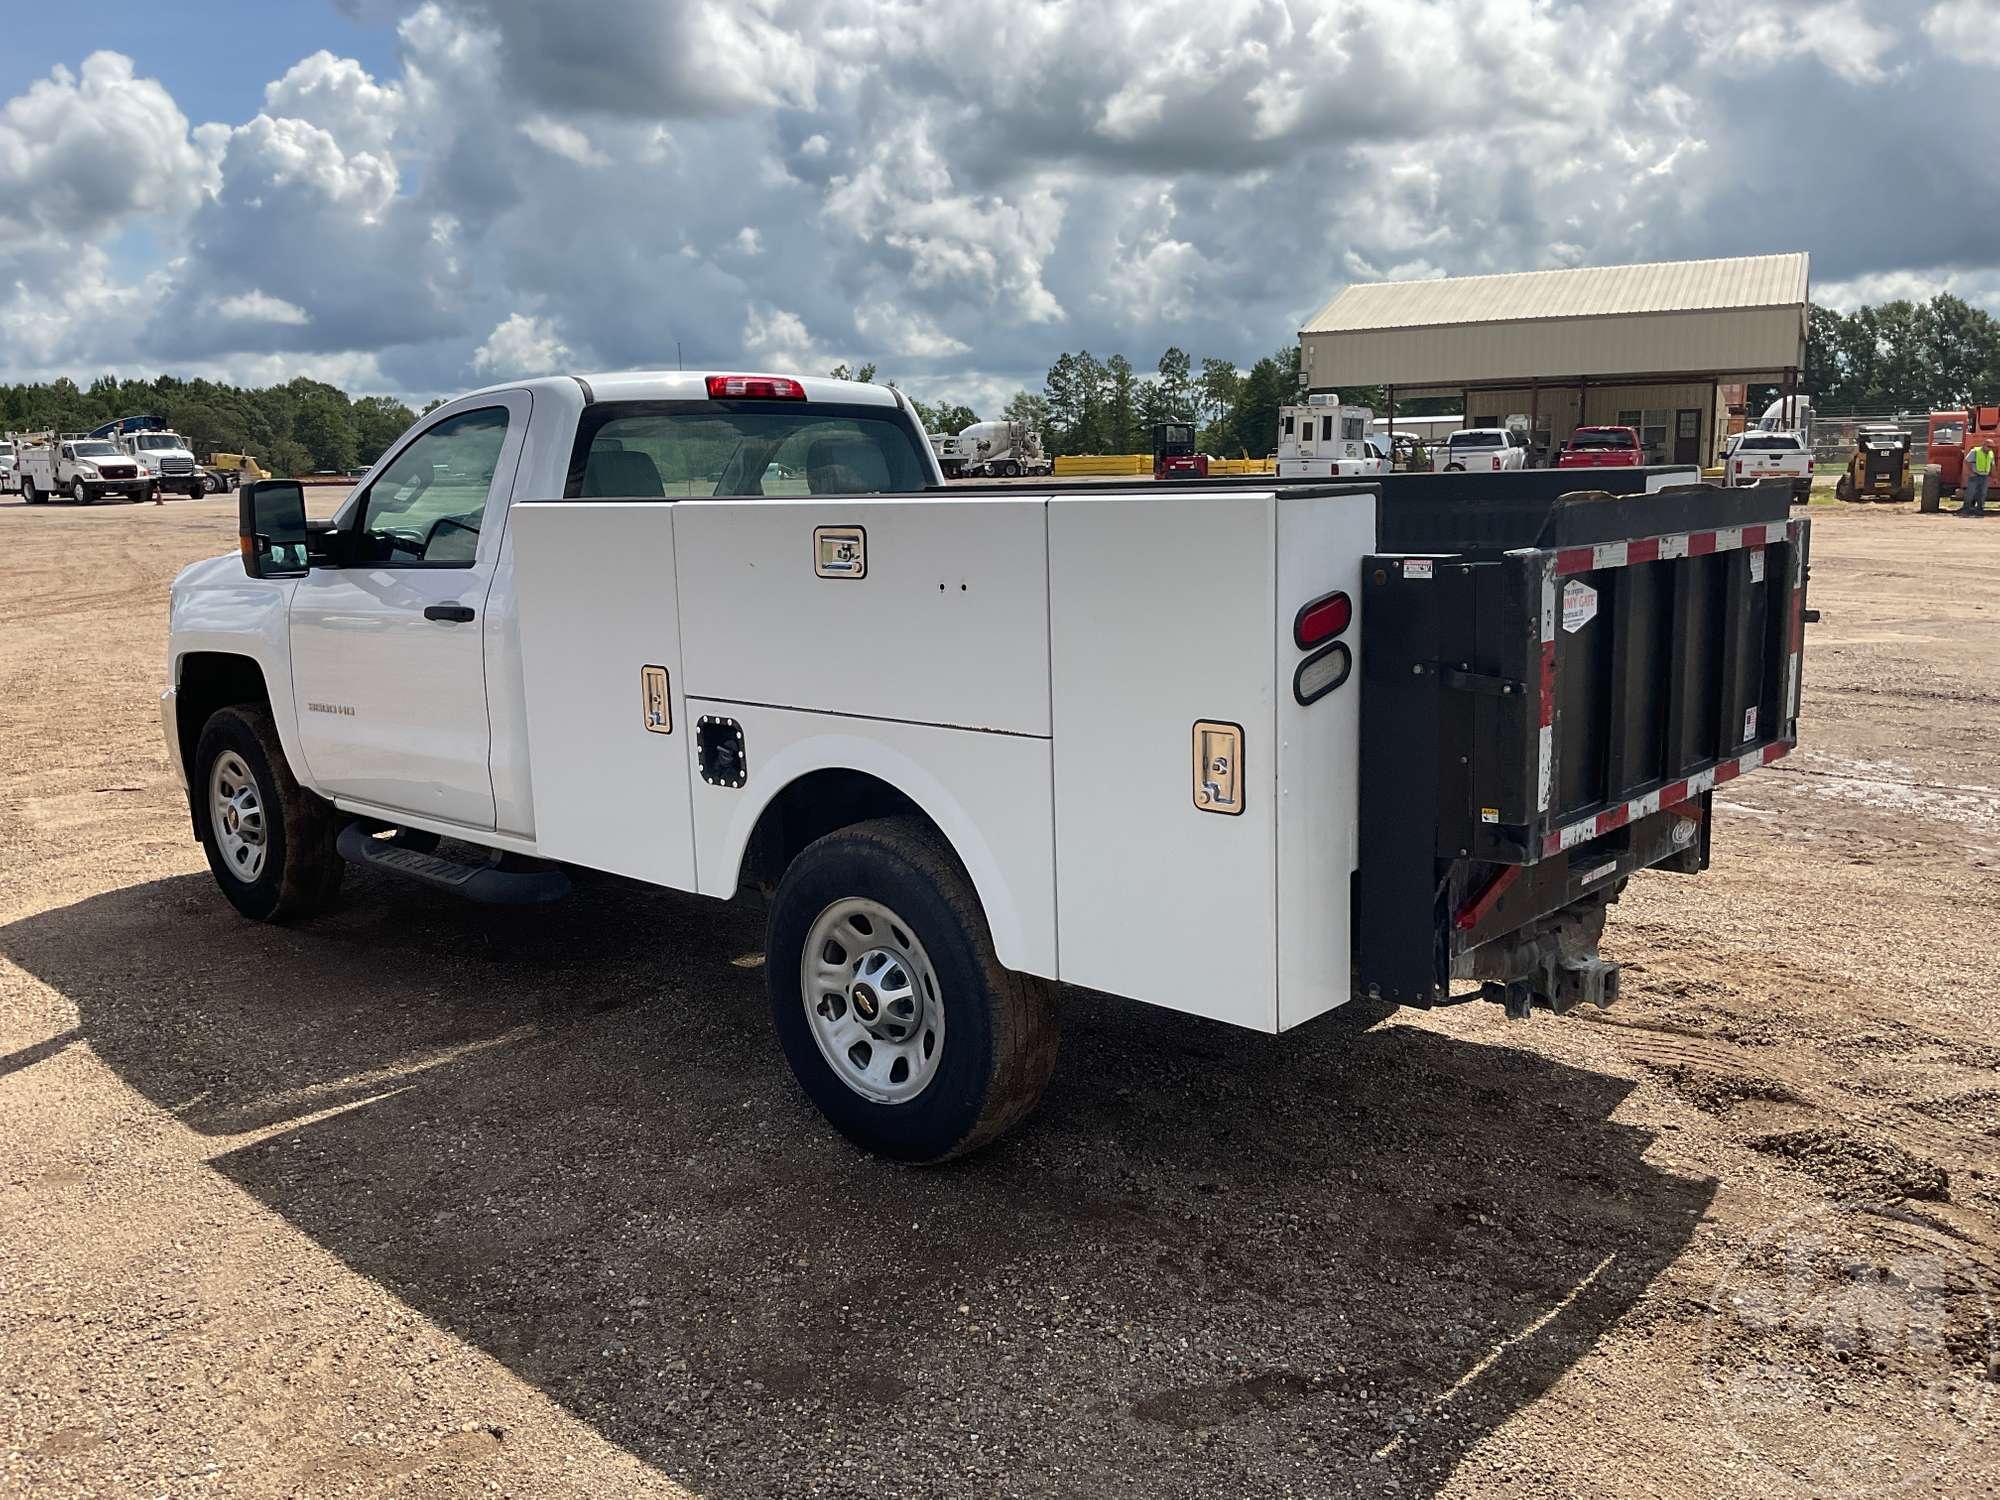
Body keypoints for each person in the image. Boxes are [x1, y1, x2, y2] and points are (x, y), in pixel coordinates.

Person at [1965, 439, 1995, 516]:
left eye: (1992, 447)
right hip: (1975, 475)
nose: (1990, 448)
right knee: (1971, 493)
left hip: (1985, 476)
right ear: (1984, 445)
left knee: (1983, 493)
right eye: (1989, 446)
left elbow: (1992, 465)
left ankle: (1980, 509)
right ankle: (1966, 508)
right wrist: (1971, 472)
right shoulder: (1975, 451)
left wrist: (1994, 476)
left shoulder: (1991, 453)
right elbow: (1967, 461)